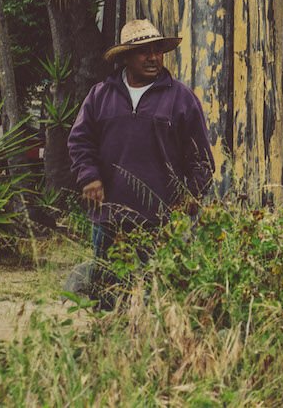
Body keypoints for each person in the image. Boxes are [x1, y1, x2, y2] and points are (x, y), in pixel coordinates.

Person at [68, 18, 214, 306]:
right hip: (110, 217)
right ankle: (110, 346)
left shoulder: (181, 99)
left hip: (161, 220)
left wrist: (188, 200)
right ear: (125, 58)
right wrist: (89, 177)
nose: (153, 57)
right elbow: (79, 140)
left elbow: (201, 160)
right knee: (107, 291)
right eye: (143, 51)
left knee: (158, 295)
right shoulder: (101, 95)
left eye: (157, 50)